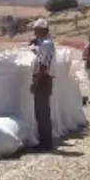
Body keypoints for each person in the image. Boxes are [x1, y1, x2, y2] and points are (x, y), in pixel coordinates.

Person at [30, 18, 56, 151]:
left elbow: (43, 66)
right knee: (41, 111)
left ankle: (45, 143)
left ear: (43, 30)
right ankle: (44, 140)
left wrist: (35, 82)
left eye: (36, 30)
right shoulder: (44, 43)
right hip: (44, 79)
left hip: (43, 79)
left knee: (42, 111)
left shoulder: (46, 44)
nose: (34, 32)